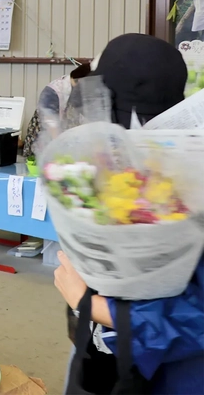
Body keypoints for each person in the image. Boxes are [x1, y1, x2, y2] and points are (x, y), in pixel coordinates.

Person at [53, 34, 200, 394]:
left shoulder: (192, 184)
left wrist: (90, 303)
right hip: (101, 351)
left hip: (174, 374)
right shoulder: (123, 168)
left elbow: (192, 321)